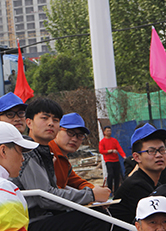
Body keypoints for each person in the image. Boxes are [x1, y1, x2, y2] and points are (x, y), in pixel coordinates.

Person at [10, 98, 111, 231]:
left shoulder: (46, 153)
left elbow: (72, 184)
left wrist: (93, 194)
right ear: (29, 122)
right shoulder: (27, 152)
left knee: (99, 215)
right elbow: (45, 196)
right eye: (44, 118)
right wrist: (90, 195)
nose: (51, 123)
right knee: (96, 218)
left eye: (55, 120)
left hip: (47, 215)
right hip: (32, 221)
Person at [109, 123, 166, 224]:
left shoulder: (154, 183)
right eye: (151, 151)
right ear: (137, 157)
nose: (159, 155)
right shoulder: (135, 186)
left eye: (162, 150)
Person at [50, 113, 110, 196]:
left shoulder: (63, 158)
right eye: (70, 132)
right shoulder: (47, 153)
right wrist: (91, 195)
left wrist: (95, 190)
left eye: (80, 135)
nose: (74, 139)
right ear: (57, 130)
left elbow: (76, 182)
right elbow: (51, 191)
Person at [99, 125, 126, 194]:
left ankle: (116, 191)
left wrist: (123, 156)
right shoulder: (102, 141)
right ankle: (110, 190)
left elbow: (119, 148)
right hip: (108, 161)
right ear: (104, 132)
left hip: (116, 160)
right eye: (107, 131)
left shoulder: (114, 140)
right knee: (110, 174)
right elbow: (101, 151)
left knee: (117, 176)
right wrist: (110, 151)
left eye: (110, 131)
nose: (109, 132)